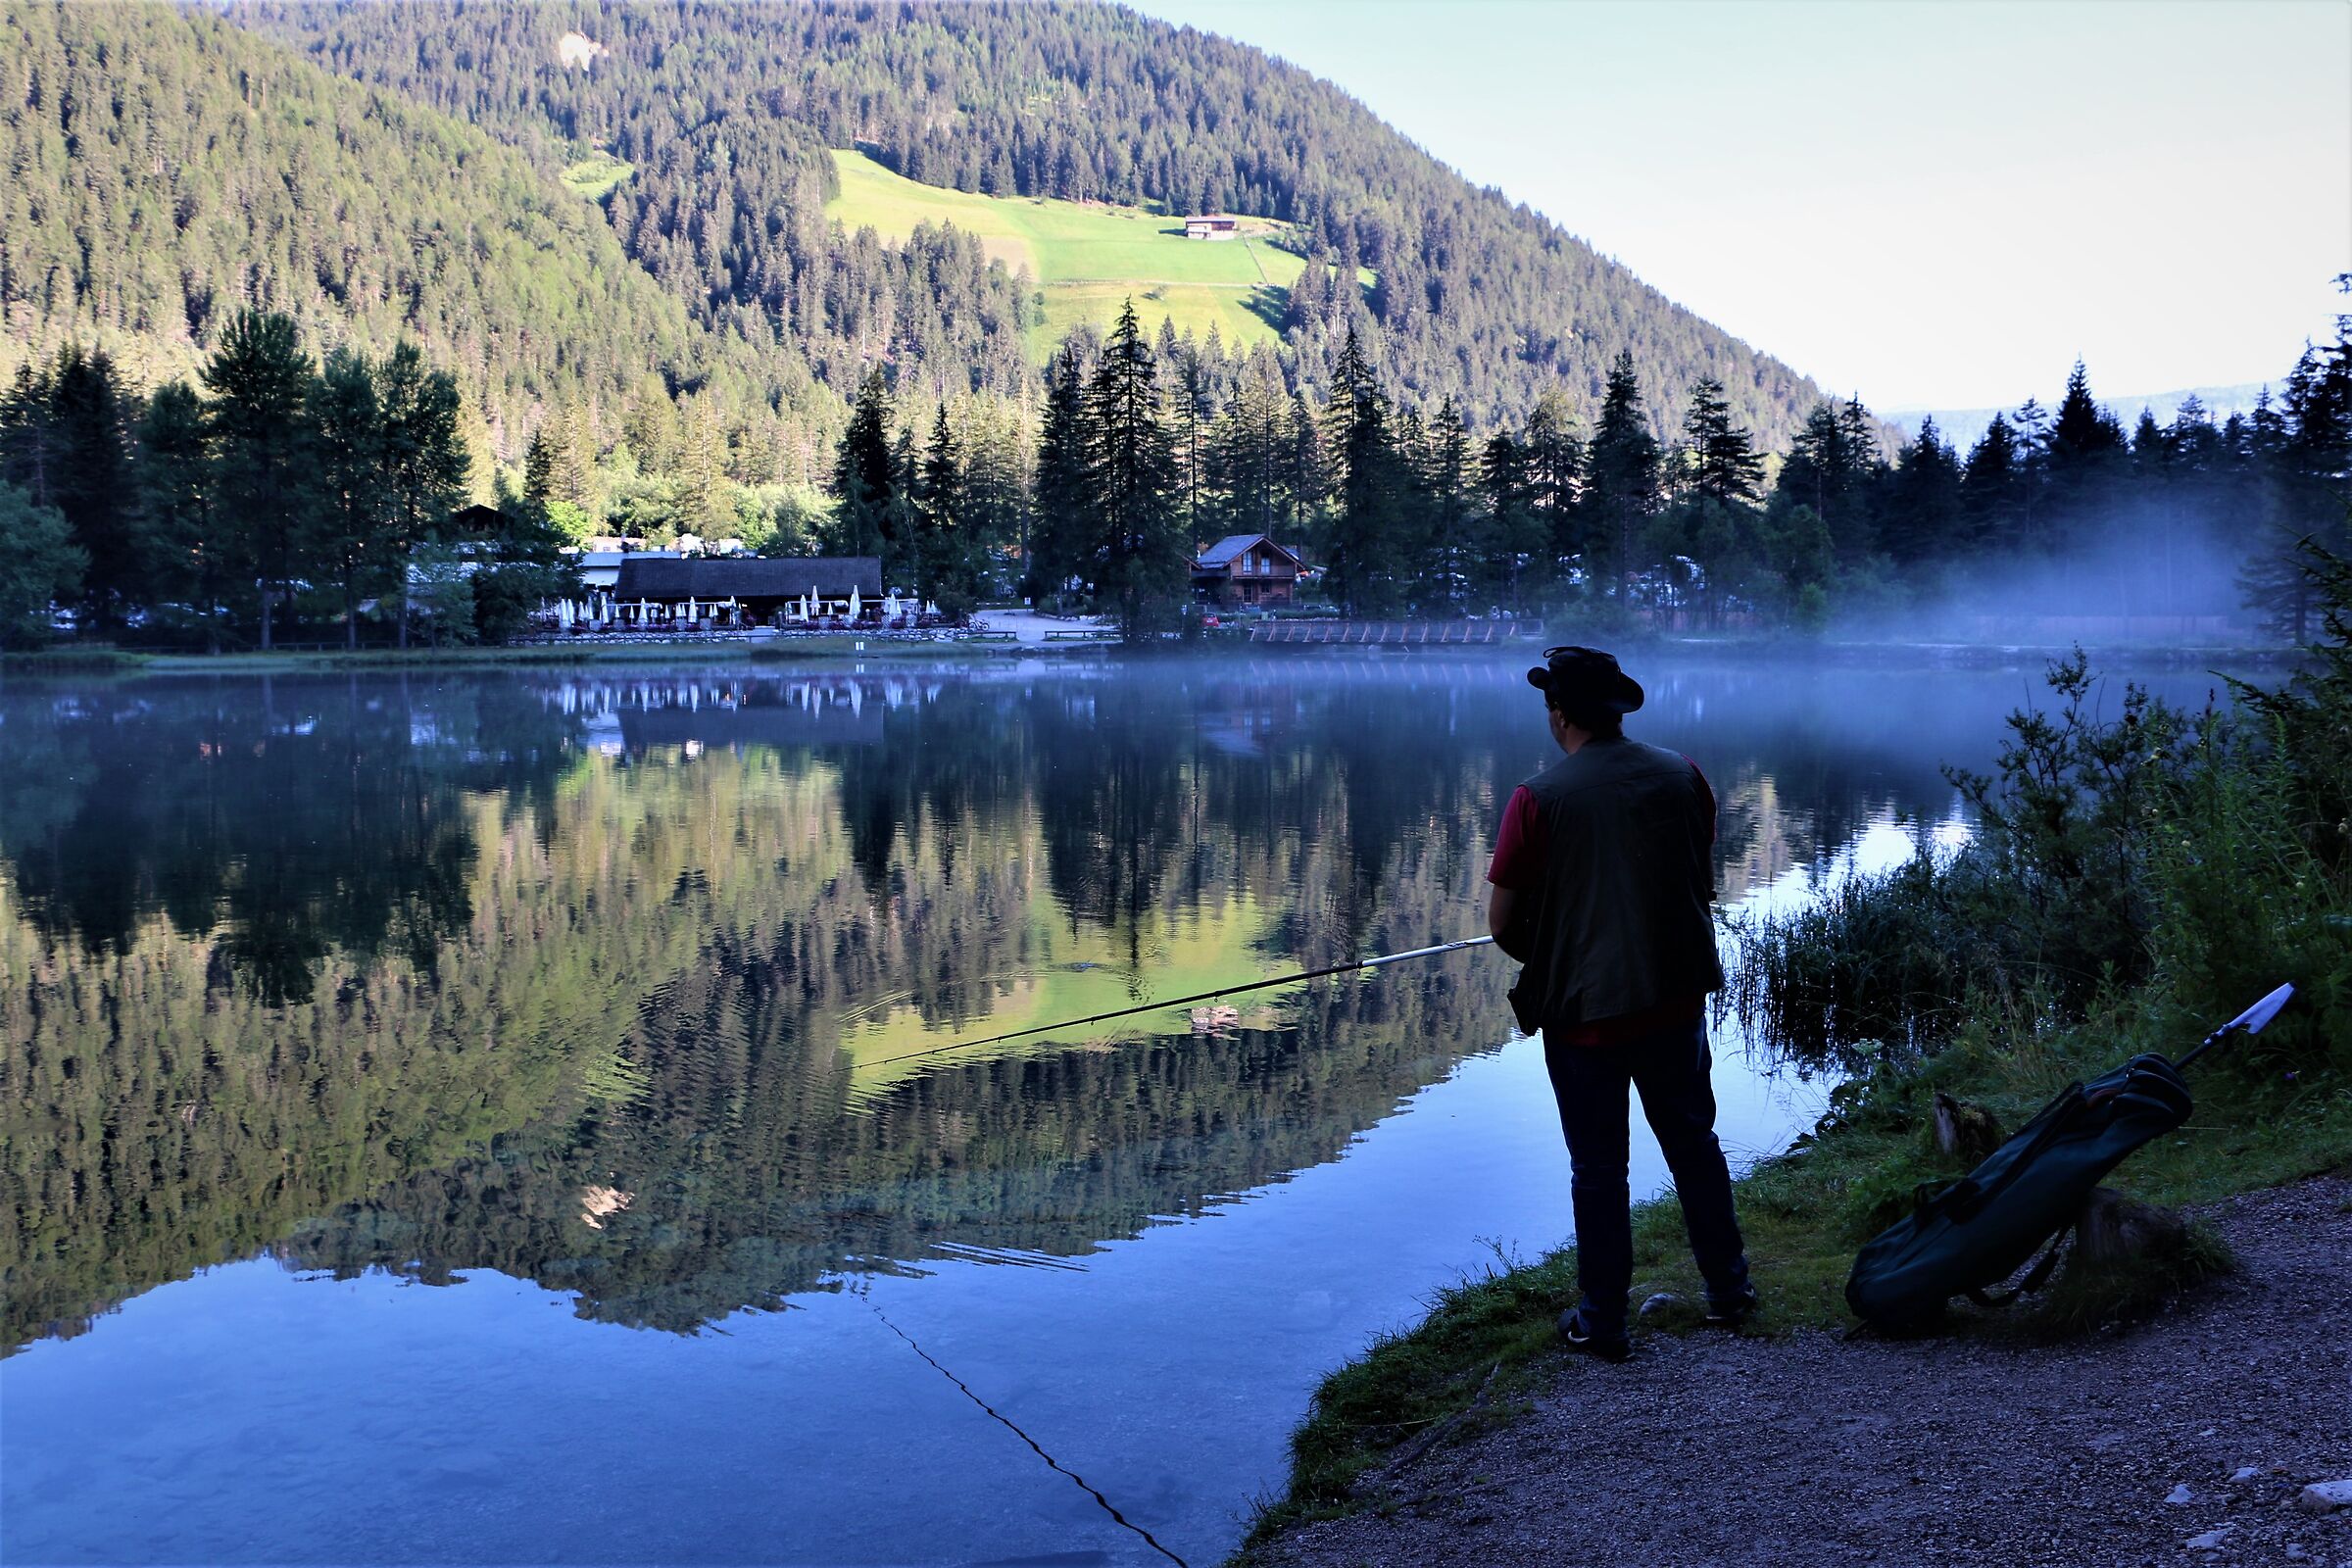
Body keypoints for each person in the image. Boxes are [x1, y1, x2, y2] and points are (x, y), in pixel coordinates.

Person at [1486, 645, 1755, 1361]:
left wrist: (1557, 953)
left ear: (1559, 714)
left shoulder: (1537, 798)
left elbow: (1503, 924)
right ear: (1616, 711)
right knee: (1694, 1145)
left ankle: (1603, 1321)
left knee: (1600, 1169)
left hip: (1585, 1018)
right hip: (1674, 999)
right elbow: (1696, 877)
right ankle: (1731, 1292)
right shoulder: (1683, 774)